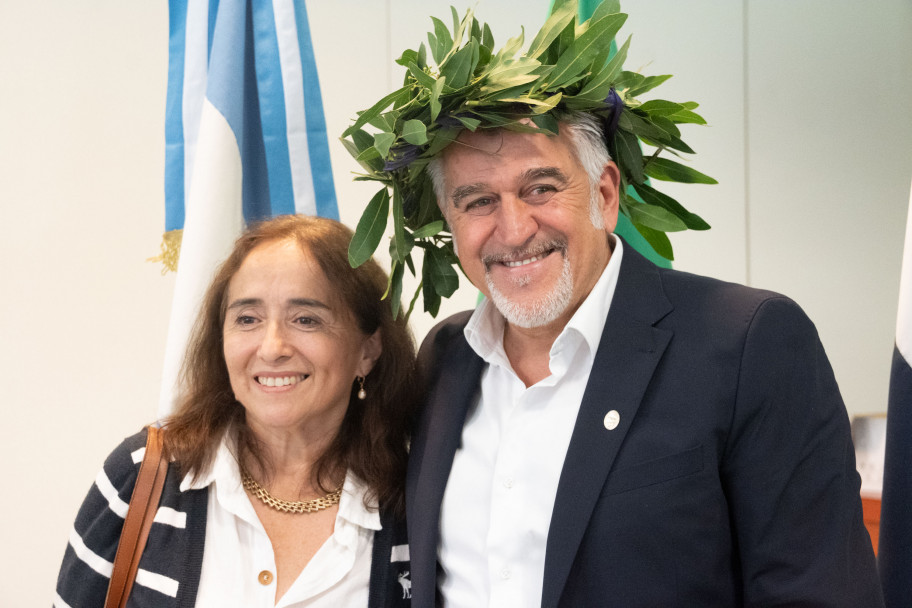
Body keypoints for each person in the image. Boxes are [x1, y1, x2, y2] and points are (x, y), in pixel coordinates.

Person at [342, 6, 884, 607]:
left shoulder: (748, 344)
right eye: (478, 201)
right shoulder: (445, 357)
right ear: (450, 223)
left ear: (604, 192)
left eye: (540, 188)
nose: (515, 229)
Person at [55, 215, 417, 607]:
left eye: (306, 319)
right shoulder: (141, 475)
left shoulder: (414, 504)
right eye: (247, 319)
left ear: (367, 351)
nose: (271, 347)